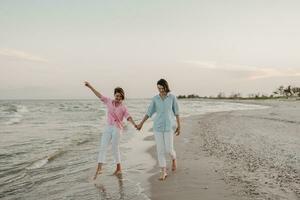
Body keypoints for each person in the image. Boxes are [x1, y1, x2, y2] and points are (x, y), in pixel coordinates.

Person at [84, 81, 137, 180]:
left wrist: (135, 124)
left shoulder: (123, 107)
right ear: (114, 95)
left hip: (117, 128)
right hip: (108, 127)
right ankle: (99, 168)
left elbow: (128, 117)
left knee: (114, 147)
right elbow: (99, 95)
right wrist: (90, 86)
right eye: (117, 96)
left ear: (122, 97)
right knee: (103, 146)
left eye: (120, 97)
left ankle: (118, 168)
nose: (118, 98)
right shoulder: (109, 101)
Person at [136, 79, 180, 181]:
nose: (160, 90)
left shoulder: (172, 97)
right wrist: (141, 123)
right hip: (158, 128)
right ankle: (164, 172)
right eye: (158, 88)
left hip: (169, 127)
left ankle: (173, 158)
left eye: (161, 88)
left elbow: (176, 112)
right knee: (160, 150)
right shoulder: (155, 99)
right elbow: (149, 112)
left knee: (169, 149)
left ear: (166, 86)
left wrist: (179, 126)